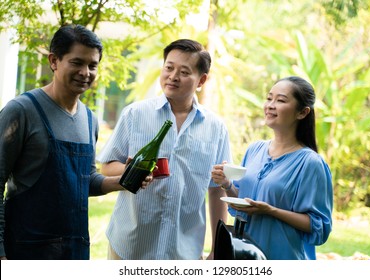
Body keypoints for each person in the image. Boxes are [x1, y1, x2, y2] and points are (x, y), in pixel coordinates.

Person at [0, 24, 151, 260]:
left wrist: (125, 180)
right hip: (25, 248)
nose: (86, 72)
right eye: (77, 62)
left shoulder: (89, 119)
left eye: (92, 65)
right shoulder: (21, 111)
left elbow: (85, 181)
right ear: (54, 61)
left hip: (75, 250)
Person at [97, 39, 232, 260]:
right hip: (131, 244)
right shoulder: (135, 114)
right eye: (169, 67)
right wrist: (129, 170)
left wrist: (218, 247)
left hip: (184, 250)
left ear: (202, 80)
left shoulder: (215, 128)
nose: (173, 76)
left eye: (184, 71)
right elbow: (107, 166)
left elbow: (217, 189)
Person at [211, 76, 333, 260]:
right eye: (269, 98)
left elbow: (319, 226)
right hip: (246, 258)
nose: (270, 105)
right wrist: (227, 184)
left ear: (302, 112)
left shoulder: (311, 163)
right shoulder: (254, 150)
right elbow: (243, 207)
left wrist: (271, 211)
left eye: (281, 100)